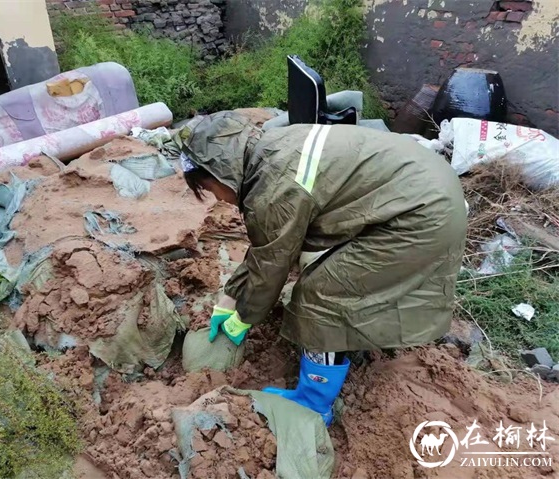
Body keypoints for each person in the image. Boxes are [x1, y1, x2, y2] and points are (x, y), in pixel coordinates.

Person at [175, 111, 467, 425]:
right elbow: (269, 249)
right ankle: (346, 343)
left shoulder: (272, 190)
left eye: (210, 189)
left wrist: (245, 317)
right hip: (429, 185)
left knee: (318, 294)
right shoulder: (272, 147)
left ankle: (313, 403)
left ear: (220, 171)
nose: (218, 198)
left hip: (419, 214)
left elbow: (273, 266)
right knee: (339, 274)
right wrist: (228, 300)